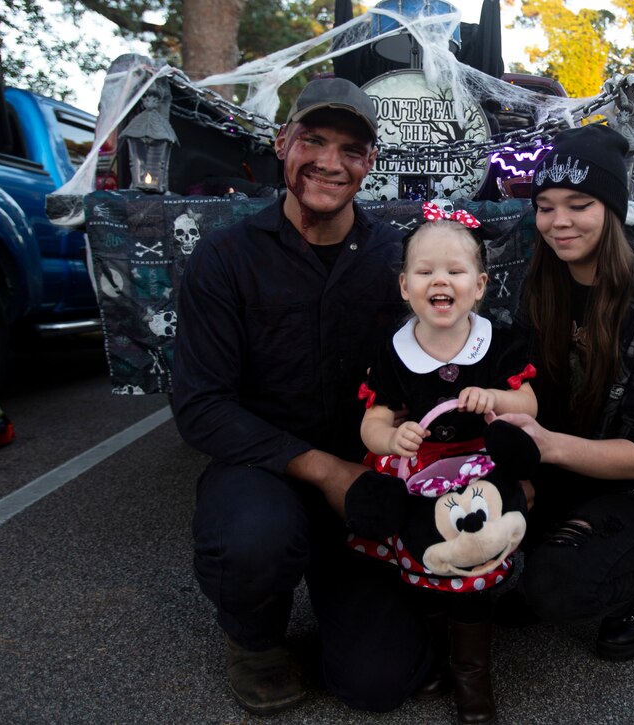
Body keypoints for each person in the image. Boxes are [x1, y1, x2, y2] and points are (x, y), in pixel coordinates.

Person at [171, 77, 433, 715]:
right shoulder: (225, 258)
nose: (329, 162)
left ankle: (362, 605)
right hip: (264, 472)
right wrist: (323, 469)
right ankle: (255, 638)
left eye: (351, 149)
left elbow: (433, 368)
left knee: (378, 684)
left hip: (367, 475)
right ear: (283, 143)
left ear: (370, 163)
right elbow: (201, 406)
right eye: (313, 140)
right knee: (251, 540)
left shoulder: (397, 262)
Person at [493, 123, 634, 662]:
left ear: (611, 209)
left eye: (579, 204)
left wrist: (542, 447)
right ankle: (553, 551)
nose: (558, 222)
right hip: (554, 468)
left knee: (559, 589)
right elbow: (513, 380)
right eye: (544, 205)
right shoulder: (536, 283)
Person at [356, 206, 538, 723]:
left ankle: (471, 674)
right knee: (423, 558)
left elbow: (529, 406)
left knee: (474, 560)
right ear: (404, 287)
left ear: (478, 286)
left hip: (482, 468)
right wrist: (392, 435)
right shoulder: (394, 351)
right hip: (422, 472)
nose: (441, 280)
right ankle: (436, 654)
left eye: (455, 271)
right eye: (425, 271)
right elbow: (373, 420)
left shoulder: (495, 344)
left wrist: (496, 399)